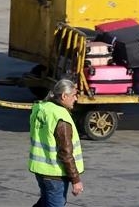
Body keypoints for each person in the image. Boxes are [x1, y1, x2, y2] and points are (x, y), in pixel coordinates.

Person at [28, 79, 85, 207]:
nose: (76, 99)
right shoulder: (61, 117)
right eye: (74, 95)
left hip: (41, 171)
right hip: (55, 174)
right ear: (64, 96)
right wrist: (76, 180)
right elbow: (65, 153)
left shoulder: (42, 108)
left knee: (45, 202)